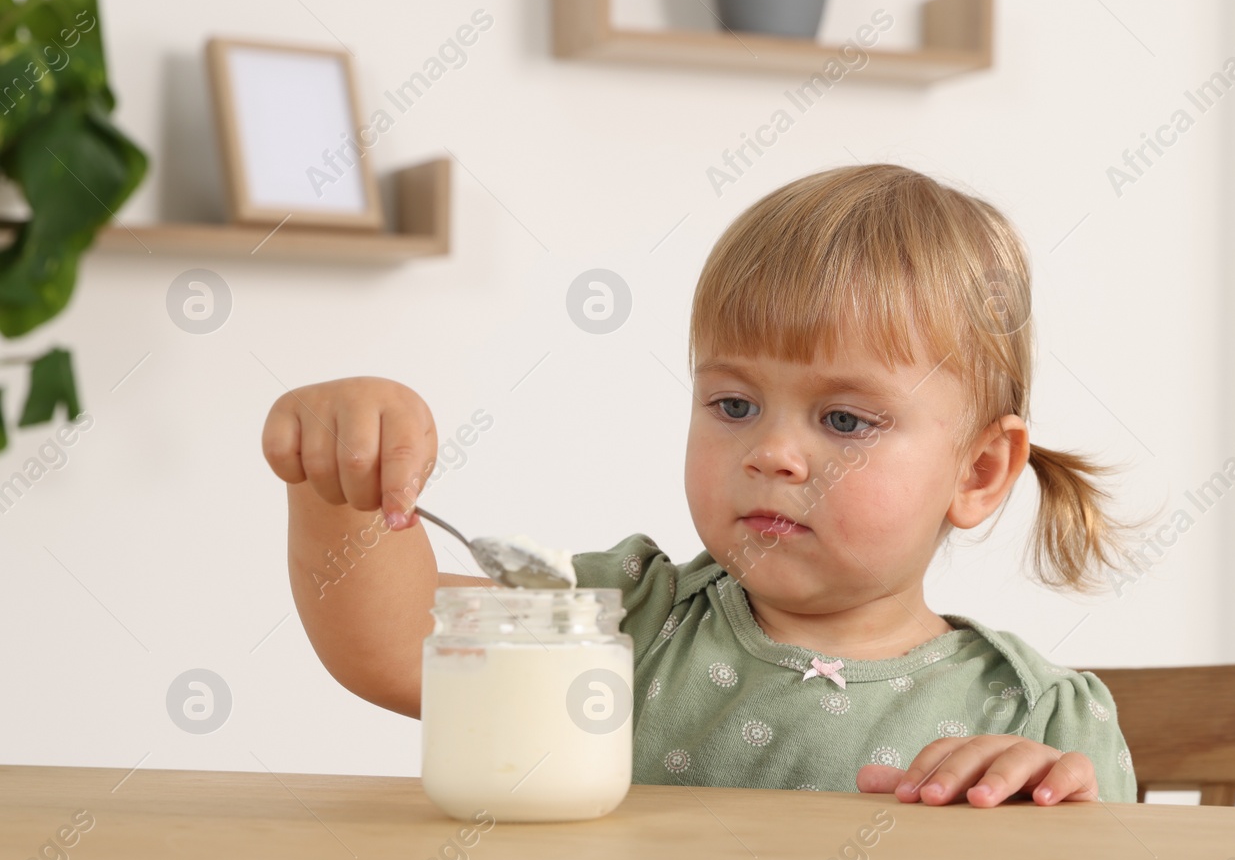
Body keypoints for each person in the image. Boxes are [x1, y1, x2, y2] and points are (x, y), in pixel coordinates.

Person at [262, 163, 1139, 807]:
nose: (772, 453)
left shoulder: (1039, 717)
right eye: (733, 402)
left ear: (979, 471)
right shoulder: (622, 624)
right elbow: (384, 642)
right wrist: (341, 482)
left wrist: (1053, 815)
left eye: (844, 420)